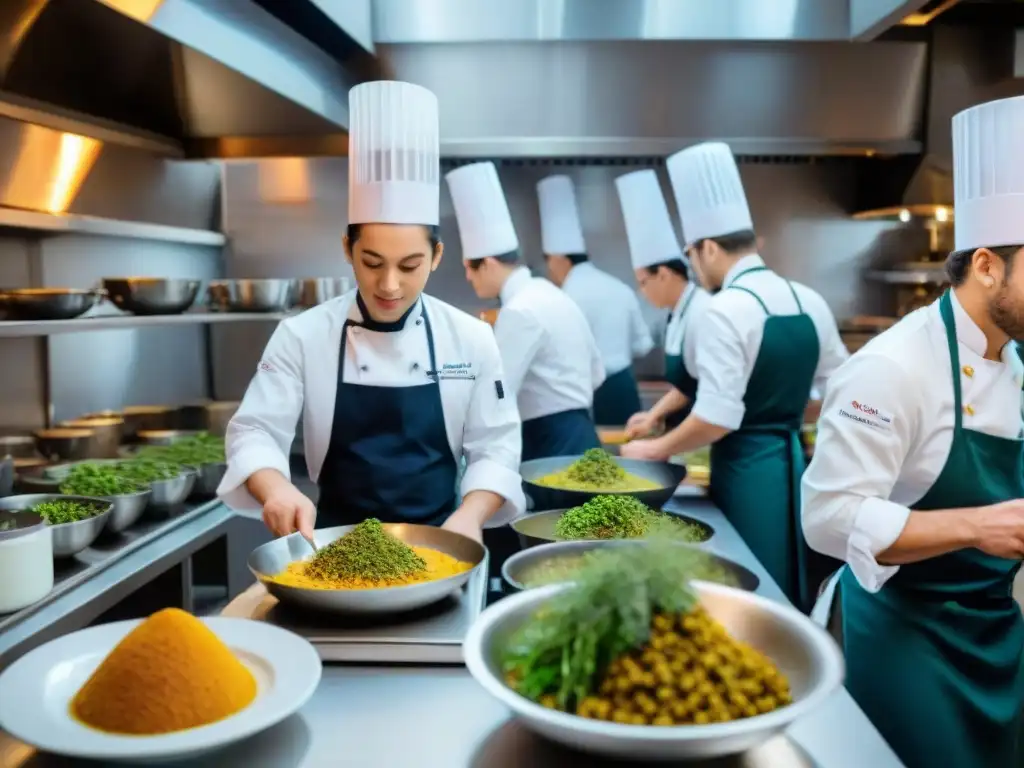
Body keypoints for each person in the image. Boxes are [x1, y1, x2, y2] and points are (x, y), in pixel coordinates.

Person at [802, 95, 1024, 768]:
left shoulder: (1014, 359)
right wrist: (977, 527)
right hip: (903, 635)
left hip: (993, 631)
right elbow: (826, 517)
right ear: (987, 265)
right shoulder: (892, 368)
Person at [217, 81, 525, 544]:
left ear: (437, 256)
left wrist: (470, 515)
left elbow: (495, 446)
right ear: (347, 248)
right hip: (334, 547)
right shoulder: (302, 336)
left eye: (410, 265)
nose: (389, 285)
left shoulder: (471, 338)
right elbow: (255, 430)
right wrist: (277, 488)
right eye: (372, 263)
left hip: (441, 543)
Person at [621, 142, 847, 609]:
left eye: (692, 254)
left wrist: (655, 448)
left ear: (706, 248)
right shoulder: (808, 298)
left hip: (745, 470)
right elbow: (840, 388)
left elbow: (717, 417)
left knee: (749, 587)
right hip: (798, 466)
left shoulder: (723, 309)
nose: (695, 268)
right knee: (792, 588)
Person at [445, 161, 605, 461]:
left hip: (551, 443)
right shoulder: (551, 293)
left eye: (470, 268)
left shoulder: (519, 310)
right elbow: (597, 373)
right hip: (580, 433)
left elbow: (497, 392)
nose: (468, 277)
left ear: (489, 263)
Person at [536, 174, 654, 426]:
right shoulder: (620, 288)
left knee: (588, 462)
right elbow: (643, 345)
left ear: (558, 258)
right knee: (624, 459)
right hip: (623, 389)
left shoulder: (563, 298)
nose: (549, 270)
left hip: (585, 394)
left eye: (548, 261)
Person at [614, 169, 711, 439]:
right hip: (686, 434)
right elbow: (689, 385)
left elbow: (713, 397)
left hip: (702, 436)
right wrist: (654, 415)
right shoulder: (679, 313)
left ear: (664, 275)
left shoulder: (703, 313)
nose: (641, 291)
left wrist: (659, 446)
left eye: (643, 282)